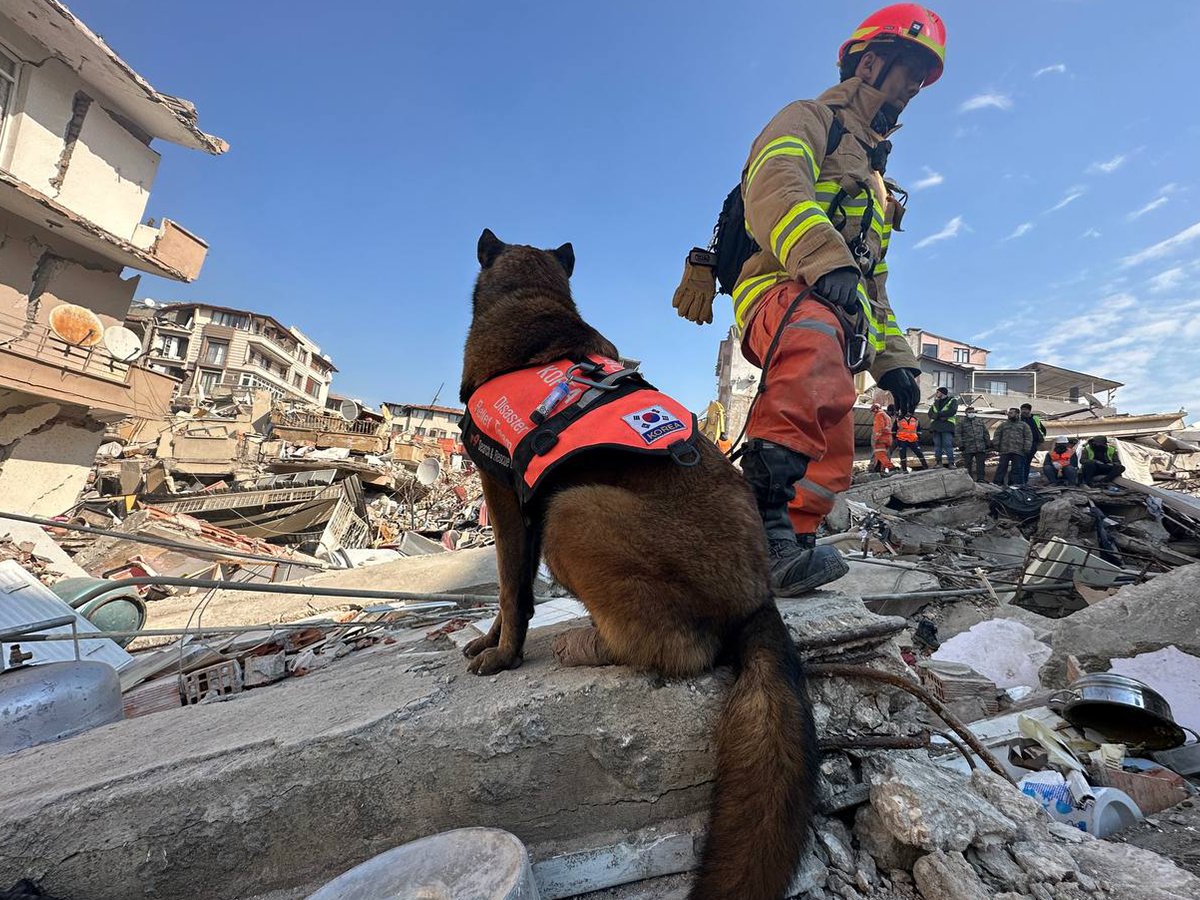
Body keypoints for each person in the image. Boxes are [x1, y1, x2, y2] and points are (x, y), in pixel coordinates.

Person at [673, 5, 947, 595]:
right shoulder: (808, 118)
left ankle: (790, 543)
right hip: (779, 291)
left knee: (833, 429)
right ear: (871, 61)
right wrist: (825, 261)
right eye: (909, 71)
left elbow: (874, 285)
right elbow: (776, 189)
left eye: (924, 80)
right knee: (814, 344)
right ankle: (755, 532)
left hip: (837, 311)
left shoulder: (876, 182)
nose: (915, 88)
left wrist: (895, 363)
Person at [992, 407, 1032, 486]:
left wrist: (1026, 448)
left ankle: (1014, 484)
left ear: (1017, 414)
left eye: (1011, 413)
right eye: (1009, 413)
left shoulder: (1024, 425)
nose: (1009, 415)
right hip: (1005, 450)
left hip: (1018, 450)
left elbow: (1028, 437)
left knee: (1016, 468)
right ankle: (998, 482)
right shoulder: (1003, 425)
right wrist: (996, 445)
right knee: (1001, 467)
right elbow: (997, 435)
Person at [955, 405, 991, 482]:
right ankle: (969, 480)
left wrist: (988, 443)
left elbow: (985, 433)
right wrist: (960, 444)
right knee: (968, 465)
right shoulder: (961, 422)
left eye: (973, 412)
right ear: (966, 413)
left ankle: (981, 479)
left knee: (981, 464)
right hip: (967, 447)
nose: (971, 413)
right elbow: (957, 434)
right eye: (969, 412)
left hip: (980, 446)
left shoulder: (979, 421)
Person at [929, 386, 958, 468]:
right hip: (936, 427)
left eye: (937, 392)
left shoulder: (953, 400)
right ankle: (938, 462)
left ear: (942, 393)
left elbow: (952, 411)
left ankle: (951, 463)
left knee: (948, 445)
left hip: (947, 426)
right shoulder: (935, 402)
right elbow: (930, 414)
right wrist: (939, 415)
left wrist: (937, 415)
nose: (936, 394)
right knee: (937, 445)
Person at [1019, 403, 1046, 484]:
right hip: (1022, 444)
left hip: (1033, 444)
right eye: (1022, 409)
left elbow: (1043, 430)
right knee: (1021, 462)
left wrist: (1040, 441)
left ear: (1029, 410)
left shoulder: (1035, 418)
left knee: (1027, 463)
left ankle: (1024, 481)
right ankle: (1020, 481)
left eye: (1025, 409)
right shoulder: (1019, 419)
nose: (1023, 411)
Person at [870, 402, 895, 475]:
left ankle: (890, 467)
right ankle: (880, 470)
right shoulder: (887, 416)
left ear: (875, 409)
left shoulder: (879, 415)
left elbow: (879, 428)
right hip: (888, 438)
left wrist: (876, 439)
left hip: (881, 438)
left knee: (880, 454)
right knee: (882, 454)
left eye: (872, 411)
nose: (872, 413)